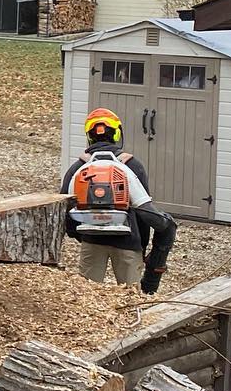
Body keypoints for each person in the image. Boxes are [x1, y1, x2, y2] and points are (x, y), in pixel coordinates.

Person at [61, 108, 177, 293]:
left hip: (92, 240)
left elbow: (65, 213)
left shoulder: (79, 167)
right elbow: (144, 212)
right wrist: (141, 245)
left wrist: (81, 235)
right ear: (116, 133)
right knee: (131, 299)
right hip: (128, 242)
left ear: (89, 136)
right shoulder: (132, 166)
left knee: (87, 297)